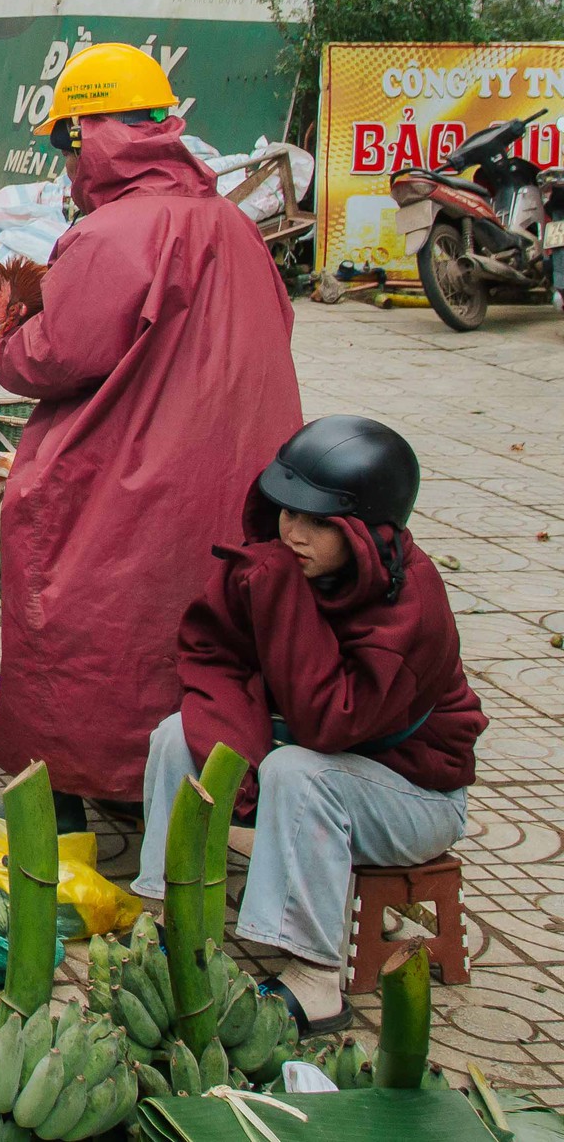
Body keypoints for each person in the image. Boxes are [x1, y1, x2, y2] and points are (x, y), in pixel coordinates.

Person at [0, 42, 303, 813]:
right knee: (194, 634)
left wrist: (7, 328)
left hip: (126, 485)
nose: (65, 168)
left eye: (67, 145)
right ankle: (176, 784)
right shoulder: (232, 225)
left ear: (89, 137)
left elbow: (51, 358)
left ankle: (65, 792)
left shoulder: (110, 236)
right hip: (237, 484)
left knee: (87, 626)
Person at [133, 416, 481, 1038]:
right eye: (287, 511)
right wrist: (237, 780)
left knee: (297, 770)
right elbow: (214, 663)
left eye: (321, 521)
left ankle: (316, 981)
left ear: (369, 533)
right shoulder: (276, 564)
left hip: (417, 797)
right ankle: (171, 921)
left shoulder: (411, 607)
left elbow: (329, 723)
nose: (294, 533)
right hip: (316, 770)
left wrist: (282, 597)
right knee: (174, 735)